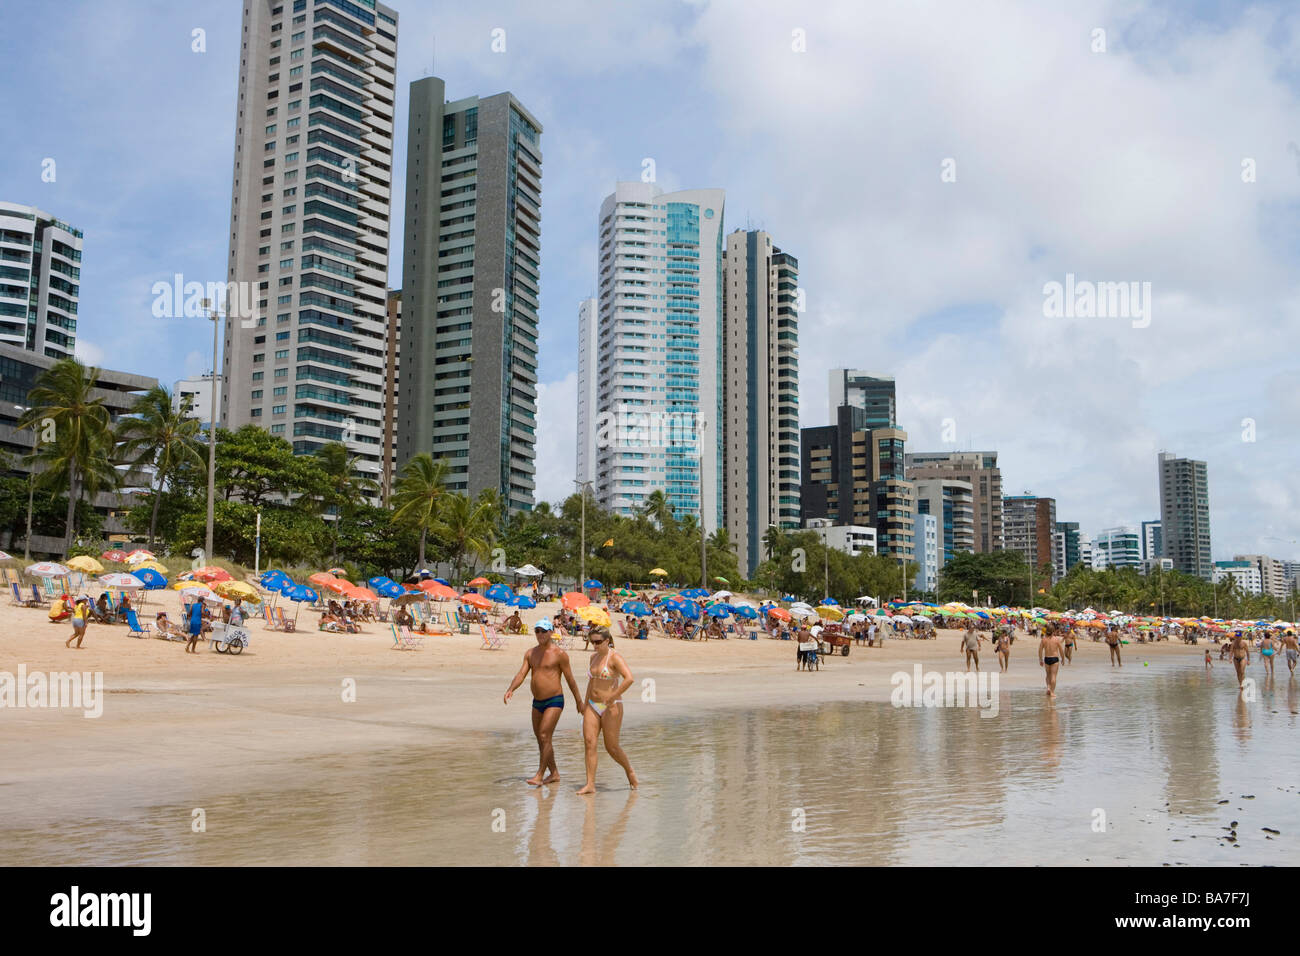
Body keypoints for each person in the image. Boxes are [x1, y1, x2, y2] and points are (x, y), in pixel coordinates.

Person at [503, 618, 584, 787]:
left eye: (543, 631)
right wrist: (511, 689)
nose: (539, 634)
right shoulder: (530, 653)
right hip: (537, 702)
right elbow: (521, 674)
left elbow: (570, 679)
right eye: (537, 631)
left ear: (550, 632)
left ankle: (540, 774)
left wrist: (579, 702)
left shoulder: (559, 654)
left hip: (554, 700)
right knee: (541, 739)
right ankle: (554, 773)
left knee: (545, 735)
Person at [578, 627, 638, 794]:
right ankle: (590, 784)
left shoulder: (615, 658)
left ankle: (629, 770)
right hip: (592, 704)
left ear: (607, 640)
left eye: (598, 642)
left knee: (611, 747)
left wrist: (613, 696)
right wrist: (584, 703)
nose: (595, 645)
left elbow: (629, 678)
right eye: (592, 642)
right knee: (589, 743)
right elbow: (592, 682)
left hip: (612, 706)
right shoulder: (593, 658)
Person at [1039, 629, 1064, 698]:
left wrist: (1040, 659)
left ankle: (1048, 687)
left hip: (1047, 658)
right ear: (1053, 632)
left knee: (1048, 675)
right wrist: (1063, 658)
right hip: (1054, 658)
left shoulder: (1043, 640)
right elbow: (1061, 649)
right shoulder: (1056, 639)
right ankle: (1052, 692)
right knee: (1053, 676)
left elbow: (1040, 650)